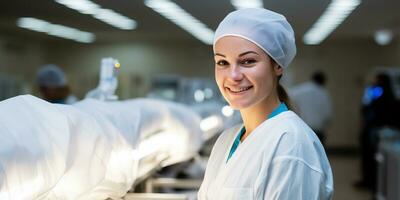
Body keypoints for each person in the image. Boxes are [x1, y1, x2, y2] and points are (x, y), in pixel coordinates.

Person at [197, 8, 333, 199]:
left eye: (248, 61)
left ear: (277, 65)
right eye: (222, 63)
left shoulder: (290, 144)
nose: (233, 76)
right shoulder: (226, 140)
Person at [290, 71, 333, 145]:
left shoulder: (301, 90)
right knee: (317, 155)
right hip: (318, 130)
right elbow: (327, 115)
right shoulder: (324, 94)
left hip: (303, 127)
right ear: (323, 81)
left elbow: (288, 96)